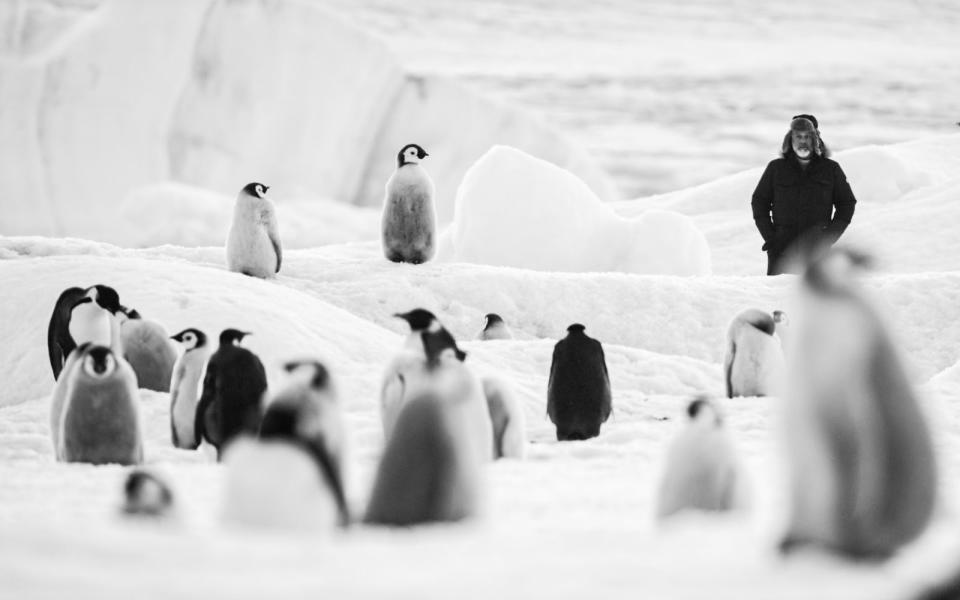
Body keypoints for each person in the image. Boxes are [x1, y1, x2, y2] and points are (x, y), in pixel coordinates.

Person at [751, 114, 857, 275]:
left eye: (807, 137)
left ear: (815, 140)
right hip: (781, 251)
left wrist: (828, 238)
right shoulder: (776, 168)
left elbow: (847, 203)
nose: (802, 142)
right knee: (776, 296)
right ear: (789, 140)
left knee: (813, 297)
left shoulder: (831, 169)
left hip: (816, 252)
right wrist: (771, 237)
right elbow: (759, 202)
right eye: (798, 136)